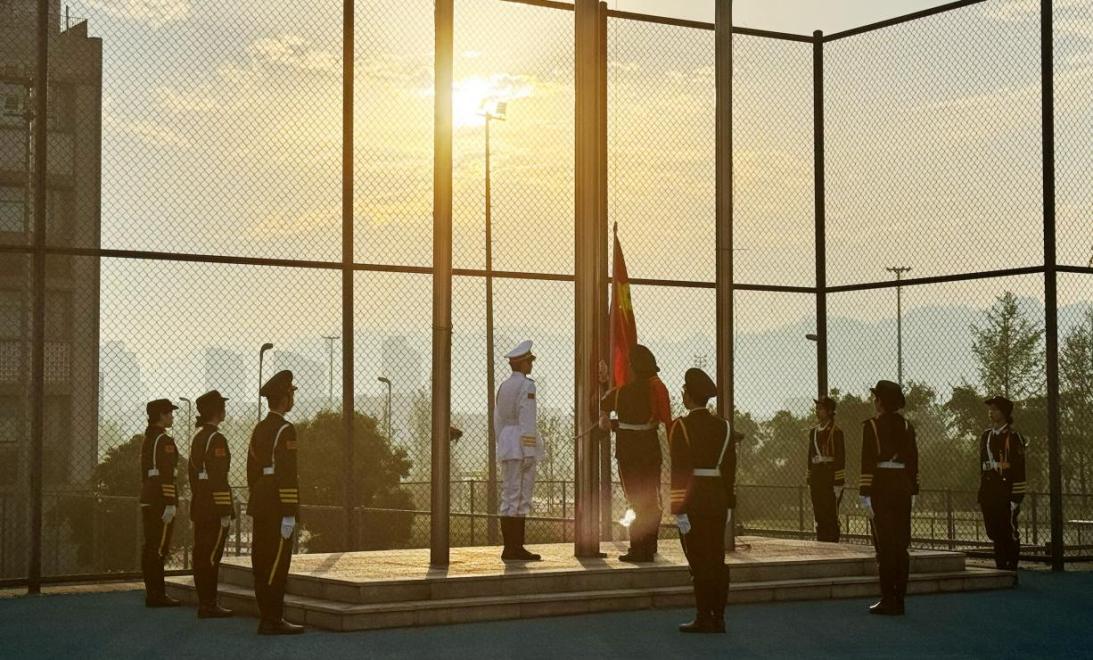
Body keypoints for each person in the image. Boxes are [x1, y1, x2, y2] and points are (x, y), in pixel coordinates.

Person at [669, 368, 735, 634]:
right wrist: (729, 503)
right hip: (717, 499)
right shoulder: (724, 427)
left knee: (698, 561)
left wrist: (678, 508)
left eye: (685, 390)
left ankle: (703, 615)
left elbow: (679, 471)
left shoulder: (681, 426)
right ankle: (719, 616)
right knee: (716, 559)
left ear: (689, 395)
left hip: (693, 501)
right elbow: (729, 470)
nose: (683, 395)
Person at [598, 345, 671, 562]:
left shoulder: (622, 393)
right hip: (650, 450)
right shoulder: (656, 389)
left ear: (632, 368)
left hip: (628, 452)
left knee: (635, 500)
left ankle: (638, 549)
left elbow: (604, 405)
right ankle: (650, 544)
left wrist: (609, 420)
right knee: (651, 499)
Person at [246, 370, 304, 635]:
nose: (292, 399)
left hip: (261, 498)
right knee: (278, 562)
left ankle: (266, 615)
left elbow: (251, 469)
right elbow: (288, 472)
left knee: (261, 560)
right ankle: (273, 618)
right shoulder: (285, 429)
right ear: (284, 399)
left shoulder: (259, 428)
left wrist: (259, 494)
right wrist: (289, 511)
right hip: (279, 503)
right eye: (291, 394)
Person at [859, 380, 919, 616]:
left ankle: (888, 598)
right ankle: (899, 598)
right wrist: (913, 489)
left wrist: (865, 492)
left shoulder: (872, 426)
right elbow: (913, 461)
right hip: (902, 485)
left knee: (884, 545)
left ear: (881, 401)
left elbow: (867, 461)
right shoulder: (907, 426)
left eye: (876, 398)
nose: (874, 401)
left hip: (881, 485)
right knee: (900, 545)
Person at [494, 340, 543, 561]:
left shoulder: (504, 386)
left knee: (508, 496)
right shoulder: (527, 386)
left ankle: (510, 547)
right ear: (523, 364)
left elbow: (498, 419)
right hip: (521, 445)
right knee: (521, 496)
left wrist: (503, 442)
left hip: (507, 442)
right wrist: (529, 450)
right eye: (529, 361)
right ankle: (516, 547)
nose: (531, 365)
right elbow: (527, 418)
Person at [187, 390, 234, 618]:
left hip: (201, 504)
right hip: (214, 508)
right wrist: (225, 509)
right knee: (212, 556)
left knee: (202, 554)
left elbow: (194, 476)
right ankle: (209, 603)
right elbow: (218, 477)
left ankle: (205, 601)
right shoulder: (216, 439)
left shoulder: (198, 437)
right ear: (217, 411)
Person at [978, 396, 1027, 571]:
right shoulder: (986, 436)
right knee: (993, 530)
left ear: (1005, 413)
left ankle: (1010, 566)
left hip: (1006, 491)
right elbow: (983, 466)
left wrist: (1016, 497)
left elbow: (1019, 469)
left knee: (1007, 529)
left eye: (995, 409)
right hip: (989, 491)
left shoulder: (1013, 437)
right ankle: (1000, 565)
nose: (991, 412)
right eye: (990, 409)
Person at [140, 398, 181, 607]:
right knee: (158, 548)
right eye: (169, 413)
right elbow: (167, 473)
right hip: (161, 500)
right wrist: (170, 501)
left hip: (149, 496)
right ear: (161, 416)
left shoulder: (149, 439)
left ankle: (153, 593)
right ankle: (157, 595)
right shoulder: (164, 440)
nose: (172, 417)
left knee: (150, 546)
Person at [807, 396, 845, 542]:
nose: (817, 411)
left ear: (829, 411)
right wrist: (810, 476)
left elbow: (840, 458)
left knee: (830, 513)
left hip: (830, 476)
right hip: (817, 475)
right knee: (819, 512)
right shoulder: (813, 432)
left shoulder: (836, 431)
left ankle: (832, 542)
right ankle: (821, 541)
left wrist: (839, 481)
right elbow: (810, 455)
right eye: (817, 408)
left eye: (821, 409)